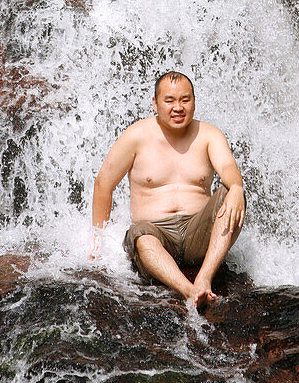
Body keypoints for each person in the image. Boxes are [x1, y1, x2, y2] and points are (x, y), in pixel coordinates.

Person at [91, 70, 246, 309]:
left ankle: (204, 277)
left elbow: (228, 167)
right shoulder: (136, 136)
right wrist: (96, 240)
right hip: (156, 235)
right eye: (170, 100)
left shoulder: (208, 135)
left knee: (232, 194)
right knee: (141, 235)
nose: (178, 107)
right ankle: (188, 289)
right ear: (155, 103)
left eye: (185, 100)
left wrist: (236, 187)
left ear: (194, 101)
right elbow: (104, 184)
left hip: (198, 234)